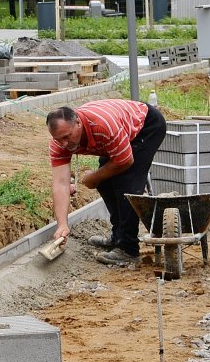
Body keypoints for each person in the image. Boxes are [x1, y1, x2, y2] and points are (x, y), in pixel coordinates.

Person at [46, 97, 166, 267]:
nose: (64, 143)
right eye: (58, 139)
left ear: (78, 123)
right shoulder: (59, 143)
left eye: (67, 136)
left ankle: (128, 248)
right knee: (105, 180)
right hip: (118, 131)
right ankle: (118, 236)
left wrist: (93, 178)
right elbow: (60, 183)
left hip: (145, 126)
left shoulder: (102, 125)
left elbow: (125, 161)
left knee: (127, 183)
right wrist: (62, 225)